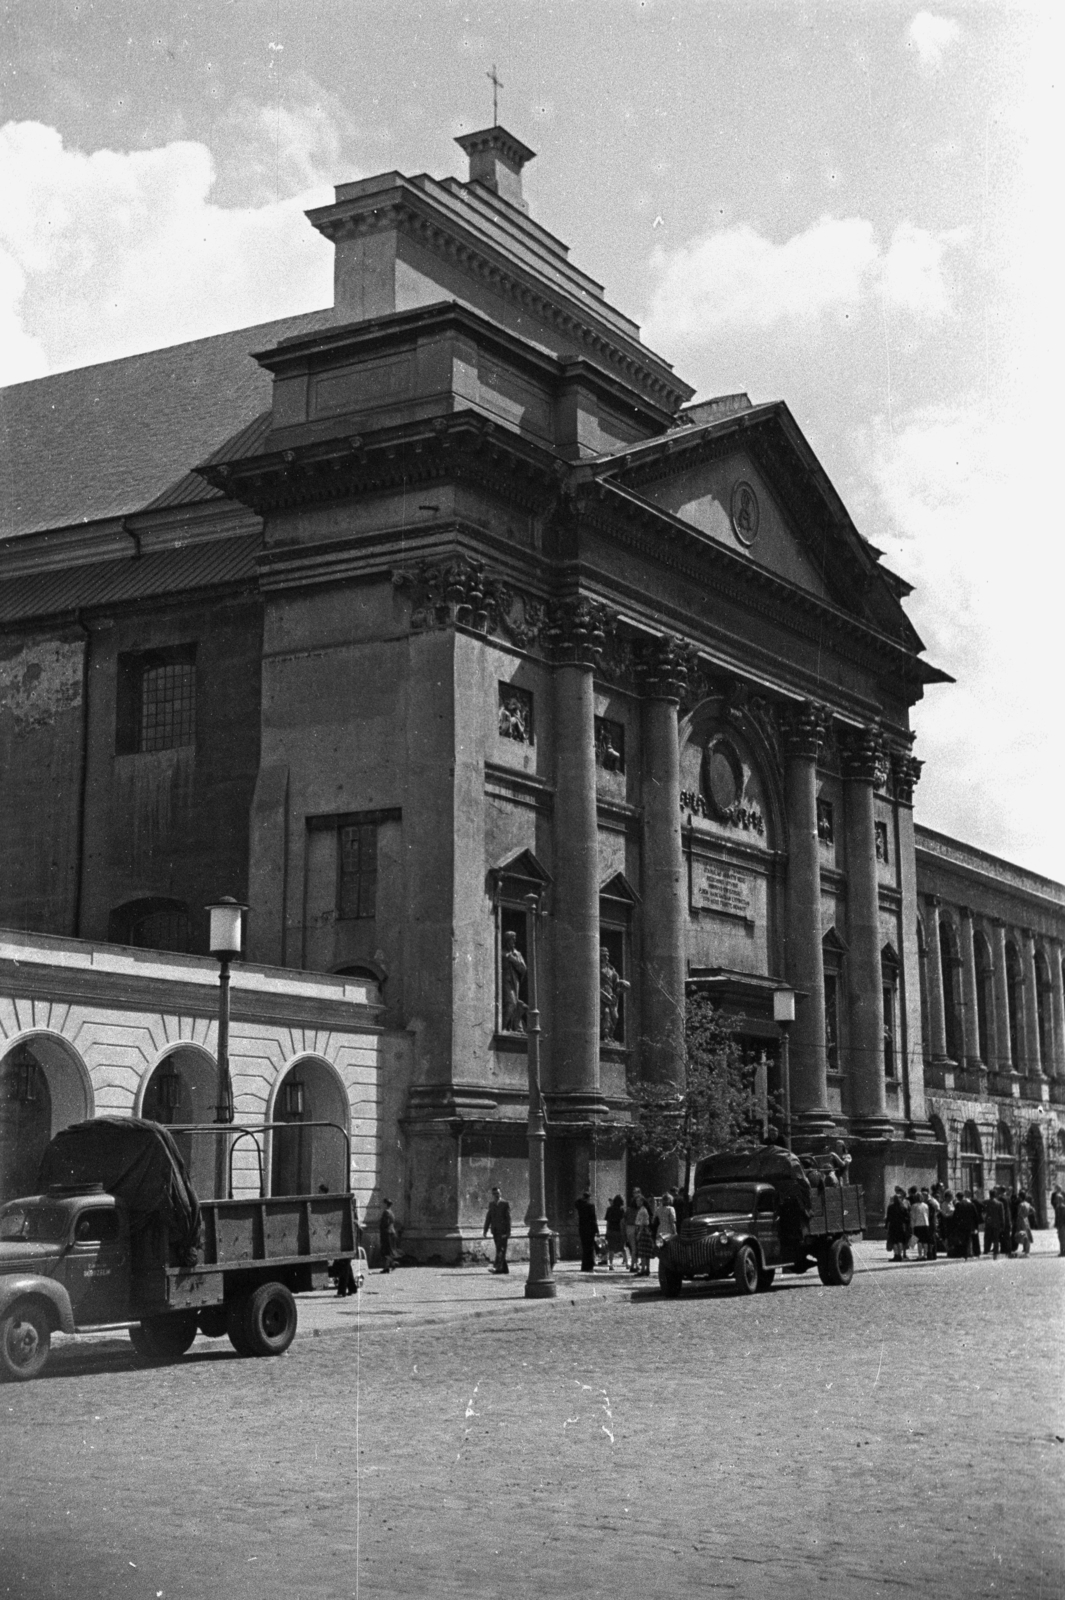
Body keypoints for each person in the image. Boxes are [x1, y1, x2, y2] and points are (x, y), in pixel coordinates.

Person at [500, 932, 527, 1033]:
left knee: (514, 1004)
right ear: (507, 940)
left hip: (514, 982)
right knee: (511, 1003)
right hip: (504, 981)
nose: (514, 942)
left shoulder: (517, 954)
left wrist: (513, 960)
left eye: (514, 940)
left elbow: (523, 969)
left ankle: (512, 1027)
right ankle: (502, 1028)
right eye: (512, 939)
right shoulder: (501, 952)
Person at [483, 1184, 512, 1274]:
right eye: (494, 1193)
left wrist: (508, 1232)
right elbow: (489, 1218)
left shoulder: (505, 1204)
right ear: (492, 1194)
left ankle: (497, 1268)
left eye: (498, 1193)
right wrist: (485, 1230)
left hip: (503, 1231)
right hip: (495, 1231)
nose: (496, 1195)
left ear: (500, 1193)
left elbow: (508, 1219)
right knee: (499, 1249)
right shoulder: (491, 1204)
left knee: (500, 1249)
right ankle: (504, 1269)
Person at [575, 1188, 599, 1272]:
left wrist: (582, 1199)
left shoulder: (580, 1205)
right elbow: (593, 1218)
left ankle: (584, 1266)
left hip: (582, 1228)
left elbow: (576, 1202)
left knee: (584, 1248)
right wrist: (597, 1231)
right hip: (590, 1229)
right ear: (589, 1198)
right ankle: (589, 1266)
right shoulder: (590, 1206)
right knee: (590, 1248)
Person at [885, 1187, 911, 1262]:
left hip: (893, 1226)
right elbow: (907, 1217)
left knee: (894, 1241)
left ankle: (896, 1255)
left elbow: (888, 1218)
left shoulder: (890, 1207)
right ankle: (900, 1254)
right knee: (900, 1241)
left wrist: (886, 1226)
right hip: (901, 1226)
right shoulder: (903, 1207)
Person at [983, 1187, 1007, 1260]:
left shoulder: (986, 1202)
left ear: (989, 1194)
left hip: (988, 1222)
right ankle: (996, 1251)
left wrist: (985, 1219)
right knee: (996, 1238)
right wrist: (1002, 1224)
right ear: (995, 1195)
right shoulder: (999, 1203)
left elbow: (983, 1212)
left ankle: (986, 1250)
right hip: (996, 1223)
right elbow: (1002, 1215)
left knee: (987, 1237)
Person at [604, 1193, 626, 1271]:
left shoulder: (609, 1209)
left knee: (611, 1249)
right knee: (622, 1248)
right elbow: (622, 1222)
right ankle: (627, 1263)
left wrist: (606, 1231)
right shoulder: (621, 1210)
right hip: (619, 1231)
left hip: (610, 1230)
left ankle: (611, 1264)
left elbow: (608, 1222)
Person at [634, 1194, 654, 1276]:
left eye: (638, 1201)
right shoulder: (644, 1209)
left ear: (642, 1201)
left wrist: (639, 1233)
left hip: (643, 1231)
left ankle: (643, 1270)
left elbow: (642, 1223)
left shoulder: (642, 1210)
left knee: (643, 1251)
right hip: (646, 1231)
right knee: (646, 1251)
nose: (637, 1202)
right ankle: (647, 1269)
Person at [379, 1197, 399, 1273]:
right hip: (392, 1233)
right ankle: (390, 1266)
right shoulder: (391, 1212)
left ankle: (390, 1266)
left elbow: (385, 1224)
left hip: (387, 1233)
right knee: (390, 1250)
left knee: (387, 1251)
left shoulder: (386, 1212)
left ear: (385, 1204)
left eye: (383, 1203)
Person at [624, 1190, 642, 1272]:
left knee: (632, 1247)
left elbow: (624, 1219)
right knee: (636, 1248)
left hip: (629, 1228)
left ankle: (635, 1264)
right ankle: (633, 1265)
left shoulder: (628, 1209)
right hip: (636, 1228)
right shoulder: (639, 1210)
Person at [910, 1188, 931, 1260]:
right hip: (926, 1224)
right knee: (925, 1241)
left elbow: (913, 1217)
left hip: (917, 1224)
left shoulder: (914, 1206)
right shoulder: (925, 1205)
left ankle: (920, 1255)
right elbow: (927, 1215)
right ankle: (925, 1255)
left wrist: (912, 1227)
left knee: (919, 1241)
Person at [1013, 1191, 1034, 1257]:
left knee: (1023, 1235)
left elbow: (1019, 1214)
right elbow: (1033, 1210)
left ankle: (1026, 1252)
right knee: (1027, 1234)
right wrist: (1027, 1214)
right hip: (1026, 1219)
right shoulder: (1028, 1204)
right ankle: (1027, 1251)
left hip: (1021, 1220)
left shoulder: (1020, 1205)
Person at [1052, 1186, 1065, 1257]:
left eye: (1057, 1199)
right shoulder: (1058, 1207)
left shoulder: (1062, 1207)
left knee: (1062, 1238)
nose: (1055, 1201)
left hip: (1062, 1225)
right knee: (1060, 1238)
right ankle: (1062, 1251)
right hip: (1060, 1225)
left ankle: (1063, 1251)